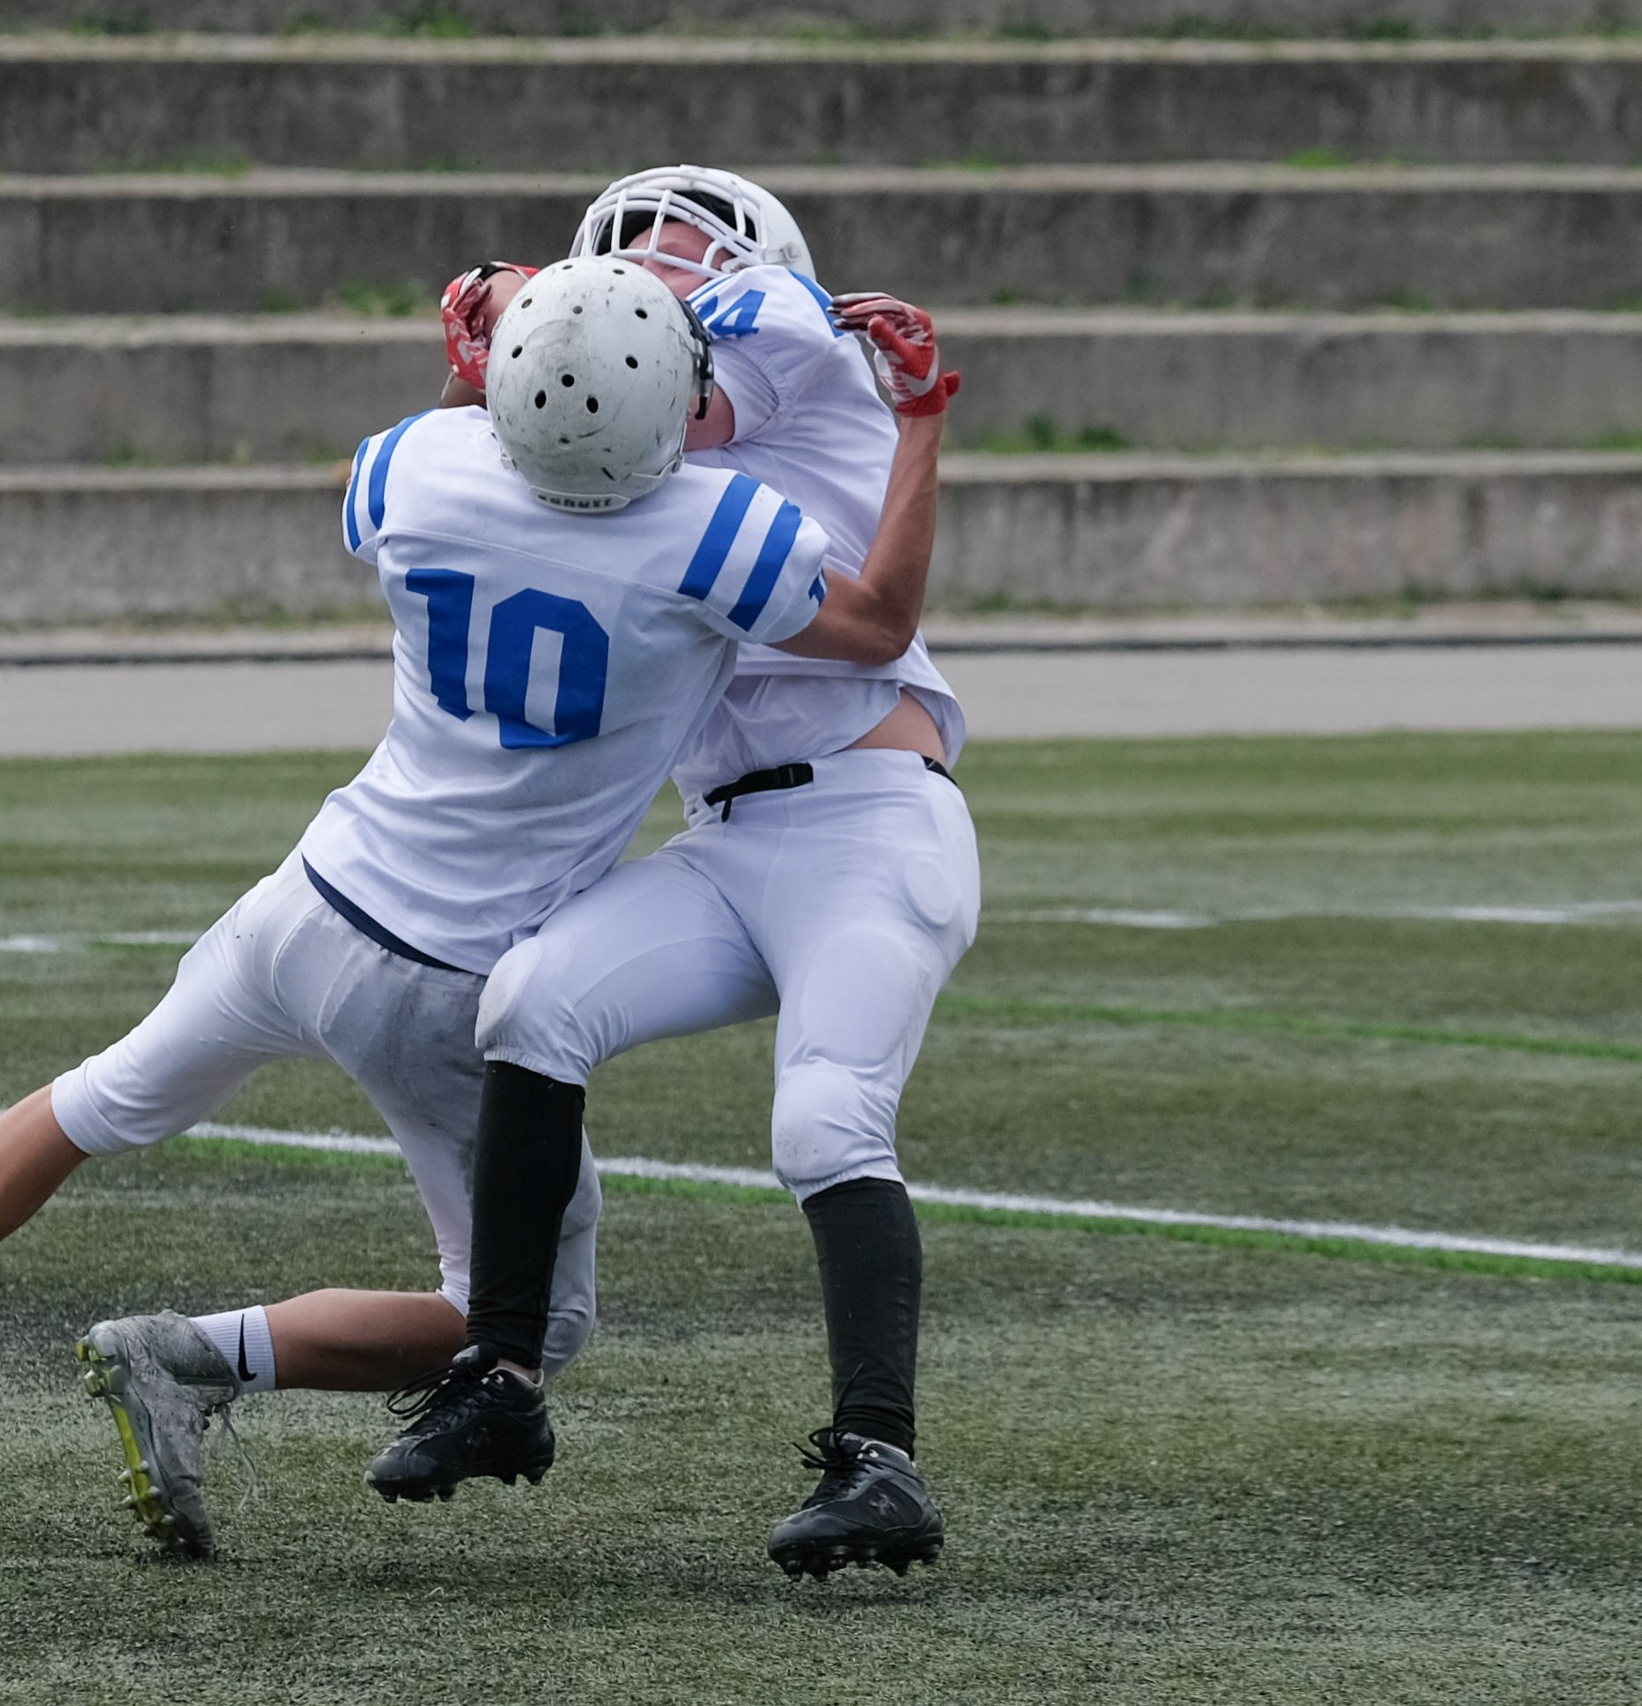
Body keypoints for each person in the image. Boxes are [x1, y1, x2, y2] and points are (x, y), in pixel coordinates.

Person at [0, 254, 937, 1558]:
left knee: (100, 1098)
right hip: (451, 980)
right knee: (524, 1325)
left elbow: (443, 451)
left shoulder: (416, 467)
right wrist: (918, 421)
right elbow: (880, 625)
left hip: (312, 898)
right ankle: (188, 1355)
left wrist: (471, 365)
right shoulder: (715, 530)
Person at [366, 167, 980, 1584]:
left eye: (679, 248)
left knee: (824, 1119)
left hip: (872, 818)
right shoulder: (604, 442)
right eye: (629, 249)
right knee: (530, 1002)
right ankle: (501, 1376)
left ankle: (880, 1455)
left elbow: (660, 373)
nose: (652, 267)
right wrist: (479, 356)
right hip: (727, 836)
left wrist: (513, 305)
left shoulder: (784, 339)